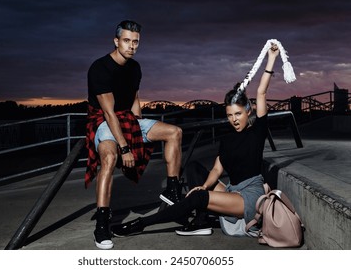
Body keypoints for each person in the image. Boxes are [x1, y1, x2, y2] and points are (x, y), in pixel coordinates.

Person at [111, 43, 280, 239]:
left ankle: (140, 224)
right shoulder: (227, 139)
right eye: (229, 115)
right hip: (232, 191)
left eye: (238, 114)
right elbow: (217, 170)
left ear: (248, 110)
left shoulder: (257, 132)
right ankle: (201, 220)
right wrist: (205, 186)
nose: (234, 119)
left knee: (198, 197)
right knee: (193, 168)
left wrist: (272, 58)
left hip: (249, 197)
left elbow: (261, 92)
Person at [85, 20, 183, 249]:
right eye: (127, 41)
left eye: (135, 42)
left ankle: (172, 189)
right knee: (109, 158)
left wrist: (139, 131)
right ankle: (101, 224)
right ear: (116, 41)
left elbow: (135, 100)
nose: (131, 46)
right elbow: (109, 113)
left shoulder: (135, 67)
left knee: (174, 132)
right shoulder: (100, 68)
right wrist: (126, 147)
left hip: (128, 119)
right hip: (104, 120)